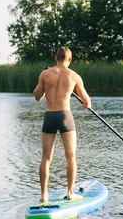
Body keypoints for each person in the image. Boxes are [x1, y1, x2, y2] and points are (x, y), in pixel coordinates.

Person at [33, 46, 91, 203]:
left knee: (46, 157)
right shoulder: (74, 76)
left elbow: (37, 96)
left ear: (55, 57)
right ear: (70, 60)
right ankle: (70, 193)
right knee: (70, 157)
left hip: (49, 116)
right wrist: (85, 104)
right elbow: (87, 102)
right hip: (65, 116)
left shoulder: (45, 73)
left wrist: (46, 87)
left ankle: (44, 195)